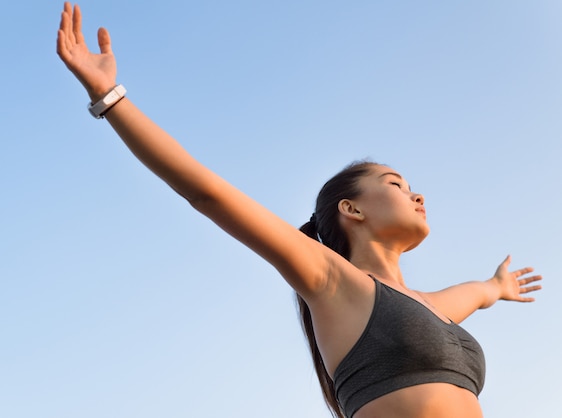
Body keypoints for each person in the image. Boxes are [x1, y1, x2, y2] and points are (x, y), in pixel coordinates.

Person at [56, 3, 542, 417]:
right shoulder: (332, 281)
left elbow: (473, 294)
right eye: (396, 183)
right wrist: (110, 98)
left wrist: (496, 288)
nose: (417, 195)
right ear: (351, 209)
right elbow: (208, 193)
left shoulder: (430, 307)